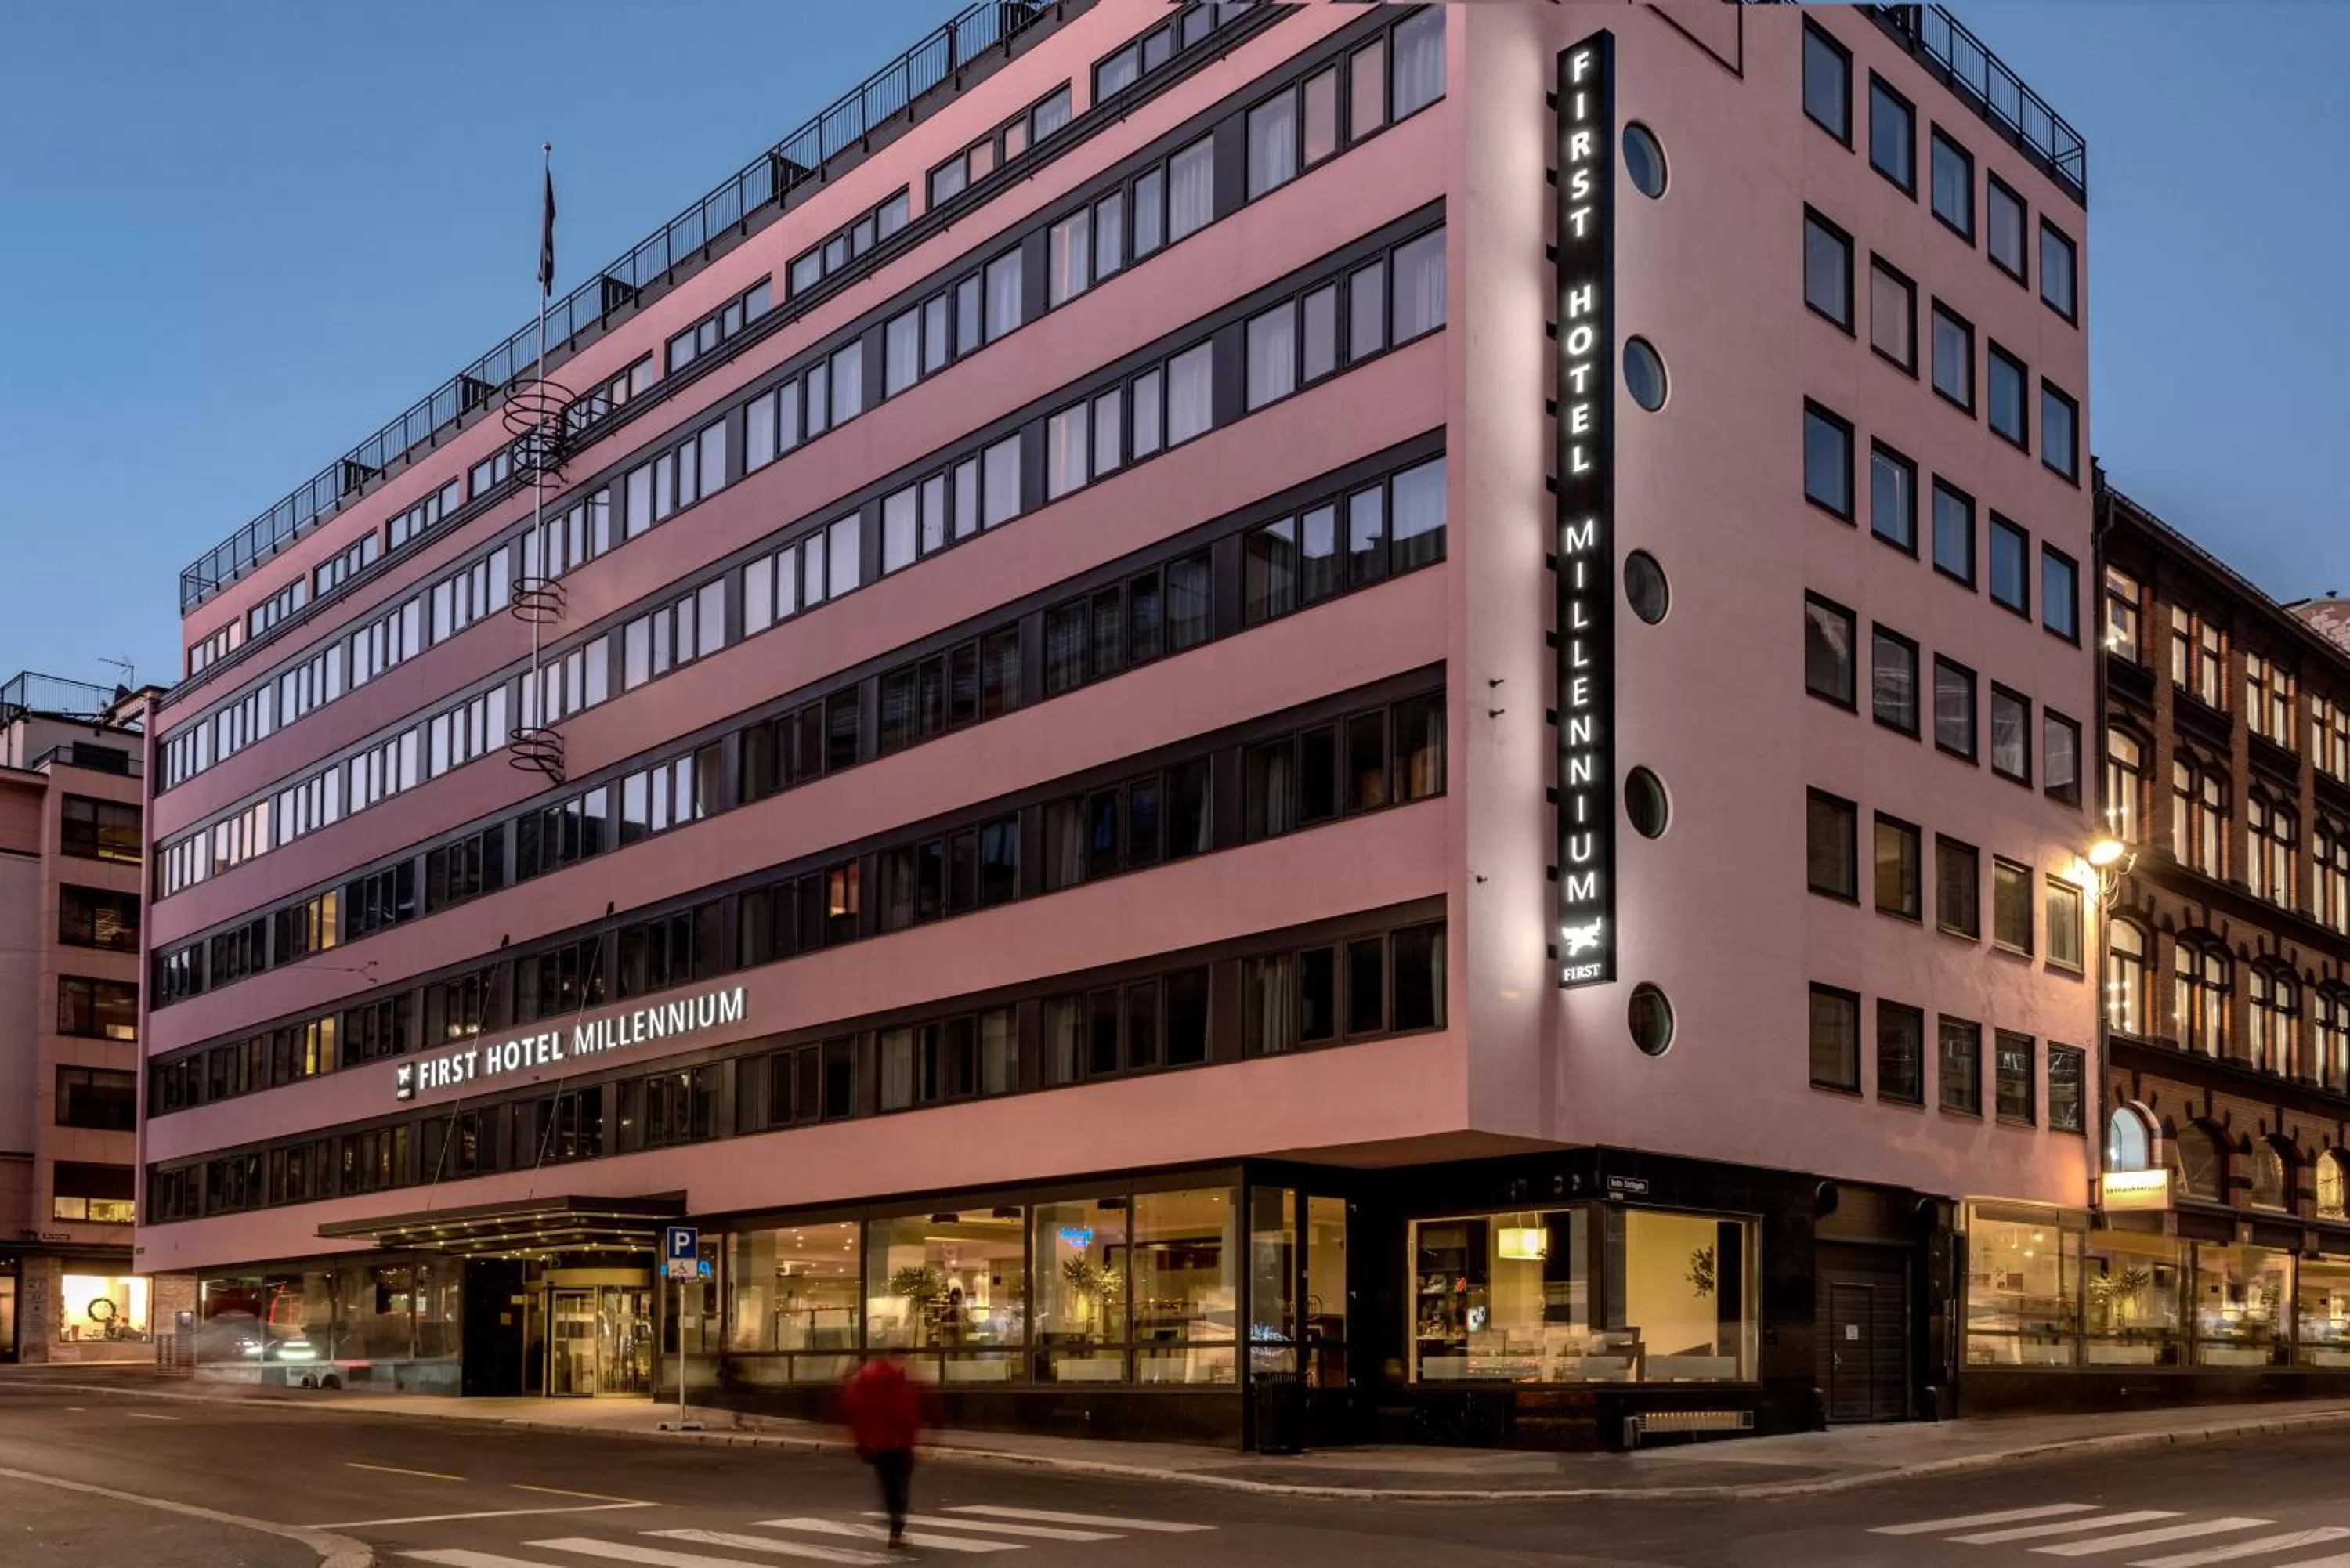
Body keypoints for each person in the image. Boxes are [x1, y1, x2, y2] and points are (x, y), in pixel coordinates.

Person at [839, 1352, 935, 1548]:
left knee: (887, 1482)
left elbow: (852, 1410)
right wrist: (932, 1433)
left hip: (878, 1443)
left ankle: (892, 1513)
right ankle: (896, 1528)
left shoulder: (865, 1382)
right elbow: (924, 1406)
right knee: (901, 1484)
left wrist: (861, 1442)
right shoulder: (906, 1383)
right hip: (902, 1443)